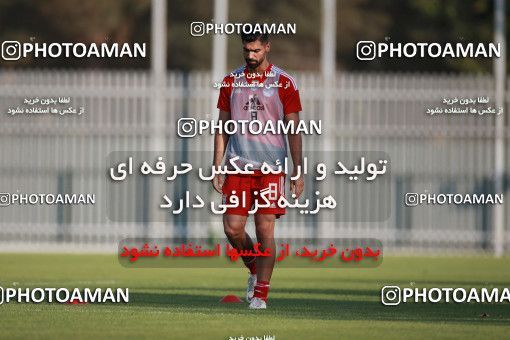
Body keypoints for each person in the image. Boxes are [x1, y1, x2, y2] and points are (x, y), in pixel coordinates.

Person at [212, 31, 304, 309]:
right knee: (232, 228)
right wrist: (217, 165)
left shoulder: (284, 83)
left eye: (256, 51)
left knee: (265, 231)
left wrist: (298, 170)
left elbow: (294, 129)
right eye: (246, 51)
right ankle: (254, 269)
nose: (251, 56)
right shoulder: (230, 81)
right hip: (238, 166)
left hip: (271, 169)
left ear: (267, 47)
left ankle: (261, 294)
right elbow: (222, 126)